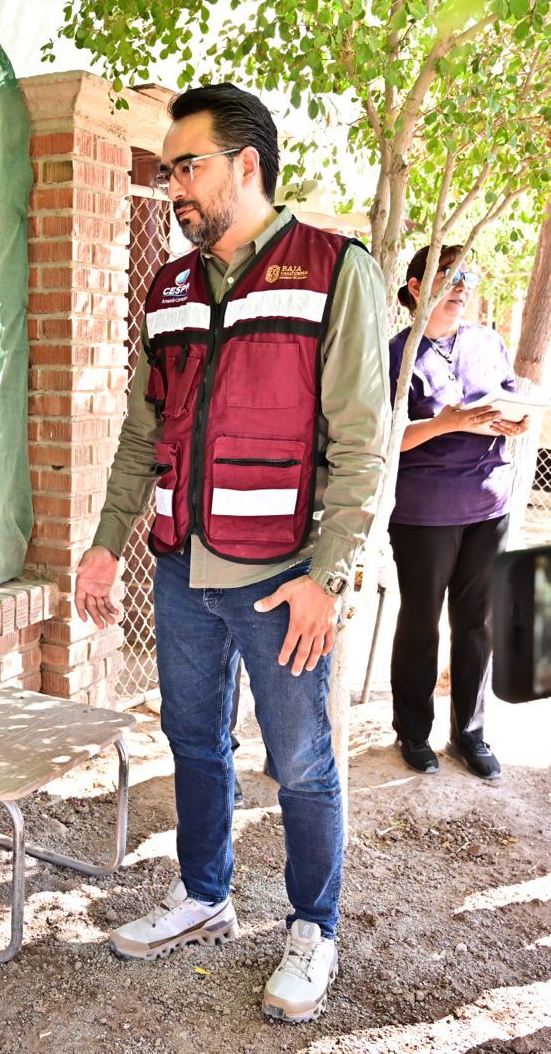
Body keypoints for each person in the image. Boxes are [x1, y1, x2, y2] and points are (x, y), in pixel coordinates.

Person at [73, 83, 389, 1024]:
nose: (172, 186)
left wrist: (326, 578)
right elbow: (142, 434)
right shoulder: (169, 289)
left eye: (186, 166)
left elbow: (363, 441)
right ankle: (205, 893)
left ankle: (312, 926)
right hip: (182, 572)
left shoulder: (335, 269)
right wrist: (101, 545)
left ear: (245, 165)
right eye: (168, 169)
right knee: (193, 740)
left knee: (299, 762)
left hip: (283, 580)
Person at [385, 244, 528, 780]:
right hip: (424, 512)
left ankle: (469, 733)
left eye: (467, 274)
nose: (461, 285)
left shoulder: (488, 341)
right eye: (447, 275)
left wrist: (516, 419)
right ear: (417, 288)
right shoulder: (397, 354)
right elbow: (385, 438)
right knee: (422, 623)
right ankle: (413, 732)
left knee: (479, 623)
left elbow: (510, 398)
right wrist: (447, 423)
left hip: (490, 503)